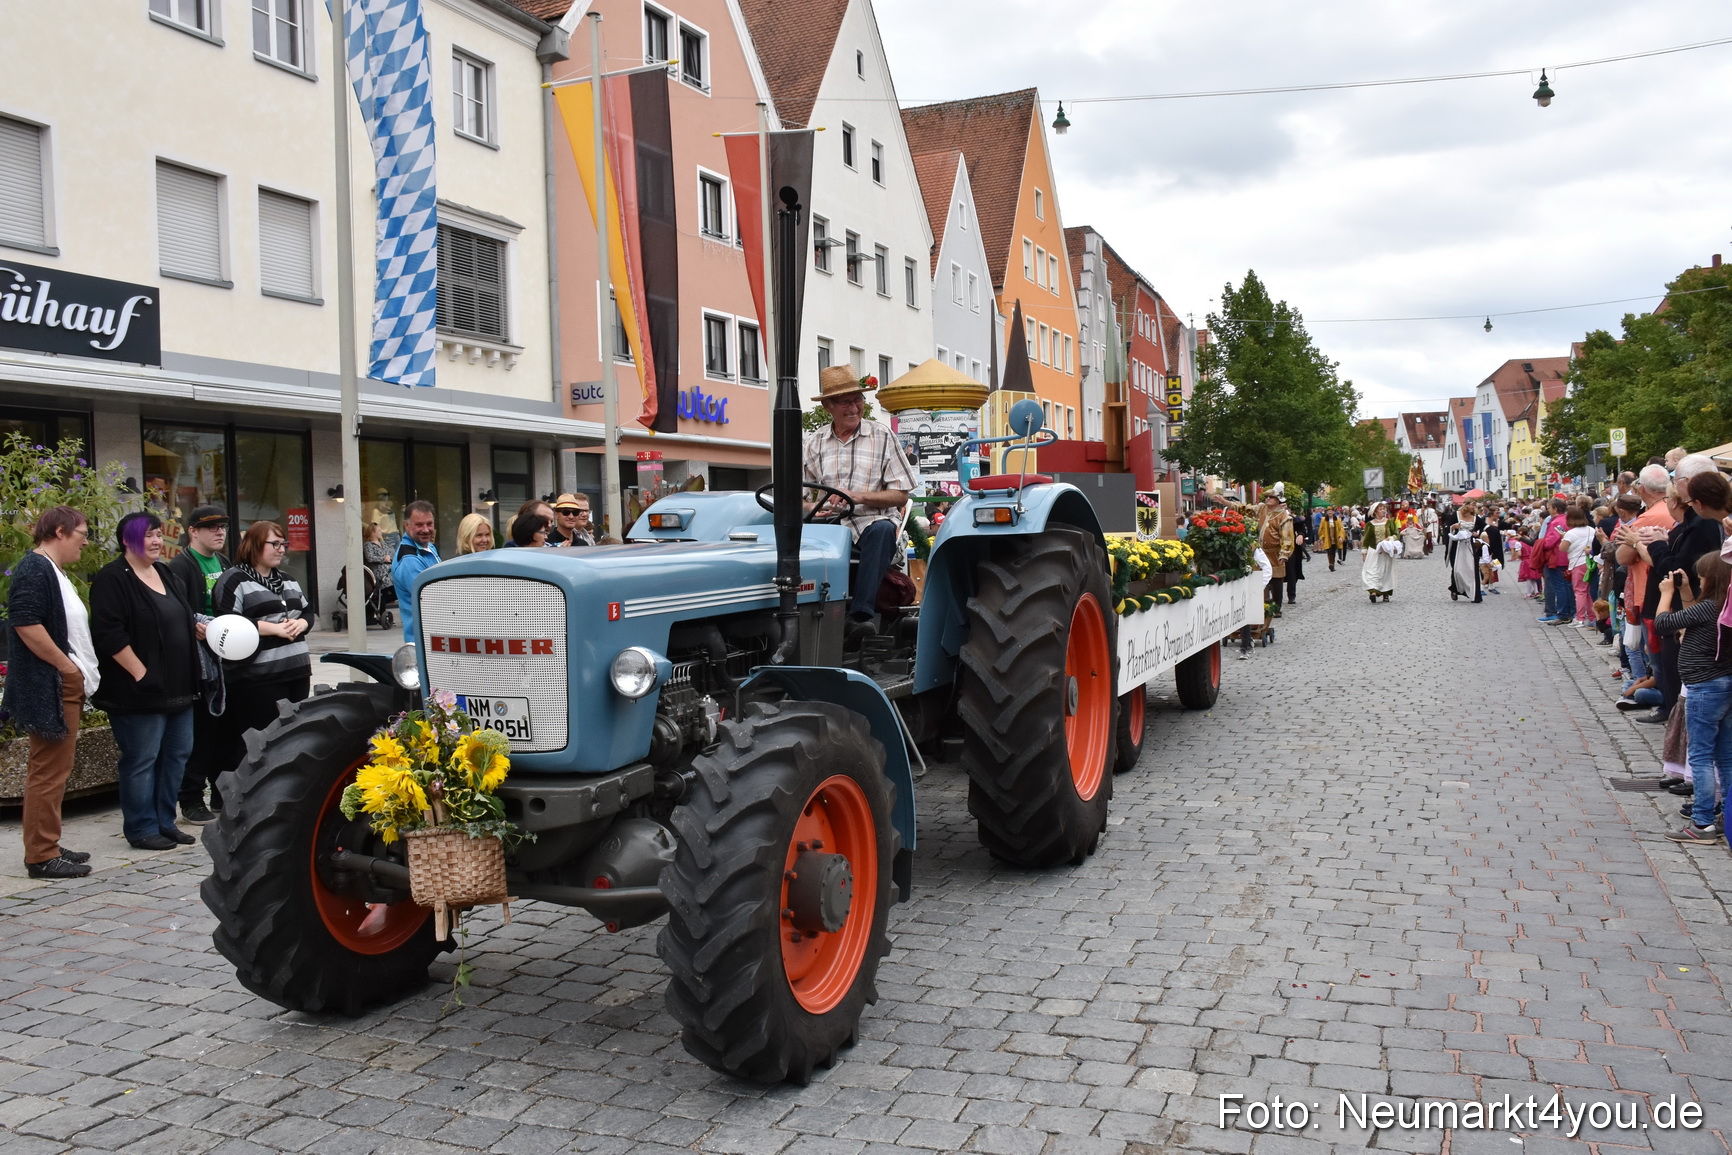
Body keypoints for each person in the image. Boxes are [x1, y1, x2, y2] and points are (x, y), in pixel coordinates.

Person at [90, 512, 201, 851]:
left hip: (179, 687)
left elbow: (181, 616)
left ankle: (164, 822)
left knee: (177, 755)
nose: (156, 542)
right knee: (141, 759)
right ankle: (140, 828)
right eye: (147, 536)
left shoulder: (164, 572)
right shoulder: (113, 579)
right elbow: (108, 634)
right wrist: (141, 673)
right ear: (127, 540)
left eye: (158, 535)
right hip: (138, 693)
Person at [4, 506, 98, 879]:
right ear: (60, 531)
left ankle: (48, 843)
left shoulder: (53, 571)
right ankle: (41, 855)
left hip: (60, 683)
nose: (86, 541)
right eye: (82, 534)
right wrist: (67, 667)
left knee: (56, 768)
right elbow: (25, 623)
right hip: (51, 685)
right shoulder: (35, 567)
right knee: (48, 770)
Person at [801, 365, 917, 630]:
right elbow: (800, 498)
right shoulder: (813, 442)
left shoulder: (882, 435)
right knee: (790, 533)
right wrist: (812, 507)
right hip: (829, 524)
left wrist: (860, 497)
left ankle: (860, 618)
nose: (854, 407)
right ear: (828, 406)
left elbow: (901, 494)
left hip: (871, 520)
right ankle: (796, 612)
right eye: (846, 402)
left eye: (858, 400)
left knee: (882, 530)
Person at [212, 521, 313, 784]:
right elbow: (226, 621)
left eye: (284, 544)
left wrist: (301, 623)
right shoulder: (235, 579)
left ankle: (282, 785)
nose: (281, 550)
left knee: (290, 735)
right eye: (274, 544)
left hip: (296, 671)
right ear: (255, 545)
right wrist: (274, 629)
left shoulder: (288, 579)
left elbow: (306, 612)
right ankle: (245, 792)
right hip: (259, 677)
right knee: (260, 739)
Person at [1657, 552, 1732, 845]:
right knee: (1725, 757)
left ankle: (1701, 823)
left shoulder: (1710, 607)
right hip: (1723, 685)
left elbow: (1665, 623)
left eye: (1701, 575)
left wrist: (1667, 593)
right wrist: (1686, 591)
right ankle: (1725, 816)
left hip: (1704, 687)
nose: (1698, 578)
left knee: (1699, 756)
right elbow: (1692, 620)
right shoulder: (1722, 606)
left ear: (1711, 578)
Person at [166, 504, 228, 822]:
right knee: (201, 732)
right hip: (200, 662)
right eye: (212, 527)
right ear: (193, 531)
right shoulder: (180, 566)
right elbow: (174, 610)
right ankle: (191, 798)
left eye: (223, 527)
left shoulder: (225, 563)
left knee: (224, 731)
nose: (220, 532)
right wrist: (193, 624)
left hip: (228, 656)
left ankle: (221, 793)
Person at [391, 500, 440, 643]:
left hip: (433, 638)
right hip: (423, 642)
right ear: (406, 526)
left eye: (429, 524)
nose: (425, 530)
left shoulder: (429, 547)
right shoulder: (409, 560)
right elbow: (432, 600)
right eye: (419, 525)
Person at [1257, 488, 1294, 615]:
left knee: (1276, 580)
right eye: (1266, 497)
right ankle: (1264, 605)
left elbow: (1287, 536)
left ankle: (1277, 607)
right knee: (1262, 579)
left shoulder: (1284, 516)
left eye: (1271, 497)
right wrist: (1226, 502)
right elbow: (1245, 508)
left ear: (1278, 500)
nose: (1267, 499)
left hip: (1275, 552)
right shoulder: (1262, 509)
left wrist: (1284, 553)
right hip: (1261, 552)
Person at [1562, 507, 1598, 628]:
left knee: (1580, 591)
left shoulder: (1571, 533)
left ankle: (1580, 618)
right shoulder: (1591, 530)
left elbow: (1562, 548)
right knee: (1589, 591)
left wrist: (1563, 537)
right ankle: (1593, 617)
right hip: (1590, 562)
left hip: (1577, 563)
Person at [1362, 501, 1398, 602]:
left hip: (1386, 551)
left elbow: (1396, 534)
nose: (1383, 510)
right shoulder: (1370, 524)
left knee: (1385, 572)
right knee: (1372, 571)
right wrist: (1364, 552)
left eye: (1384, 508)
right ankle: (1373, 592)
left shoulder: (1389, 522)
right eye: (1381, 509)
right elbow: (1366, 539)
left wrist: (1390, 538)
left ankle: (1385, 594)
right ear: (1375, 512)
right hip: (1374, 551)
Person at [1445, 502, 1481, 602]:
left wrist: (1476, 533)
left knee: (1471, 568)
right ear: (1467, 505)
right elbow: (1447, 527)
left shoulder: (1475, 517)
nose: (1474, 507)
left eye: (1475, 506)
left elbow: (1483, 526)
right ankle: (1455, 588)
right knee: (1457, 569)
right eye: (1472, 505)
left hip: (1469, 545)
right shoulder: (1456, 515)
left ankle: (1473, 592)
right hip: (1456, 546)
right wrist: (1453, 527)